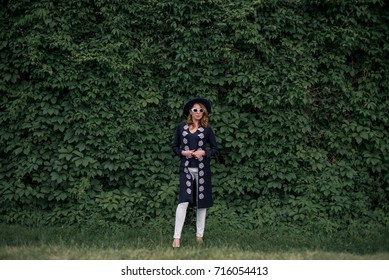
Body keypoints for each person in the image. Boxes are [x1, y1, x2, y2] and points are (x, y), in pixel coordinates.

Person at [171, 98, 219, 248]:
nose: (198, 113)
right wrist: (183, 152)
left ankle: (199, 236)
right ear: (190, 112)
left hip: (202, 170)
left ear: (204, 113)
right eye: (195, 110)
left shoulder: (207, 130)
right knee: (183, 201)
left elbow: (215, 150)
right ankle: (176, 238)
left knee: (202, 203)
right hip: (186, 168)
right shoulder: (181, 128)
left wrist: (203, 152)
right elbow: (174, 147)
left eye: (201, 110)